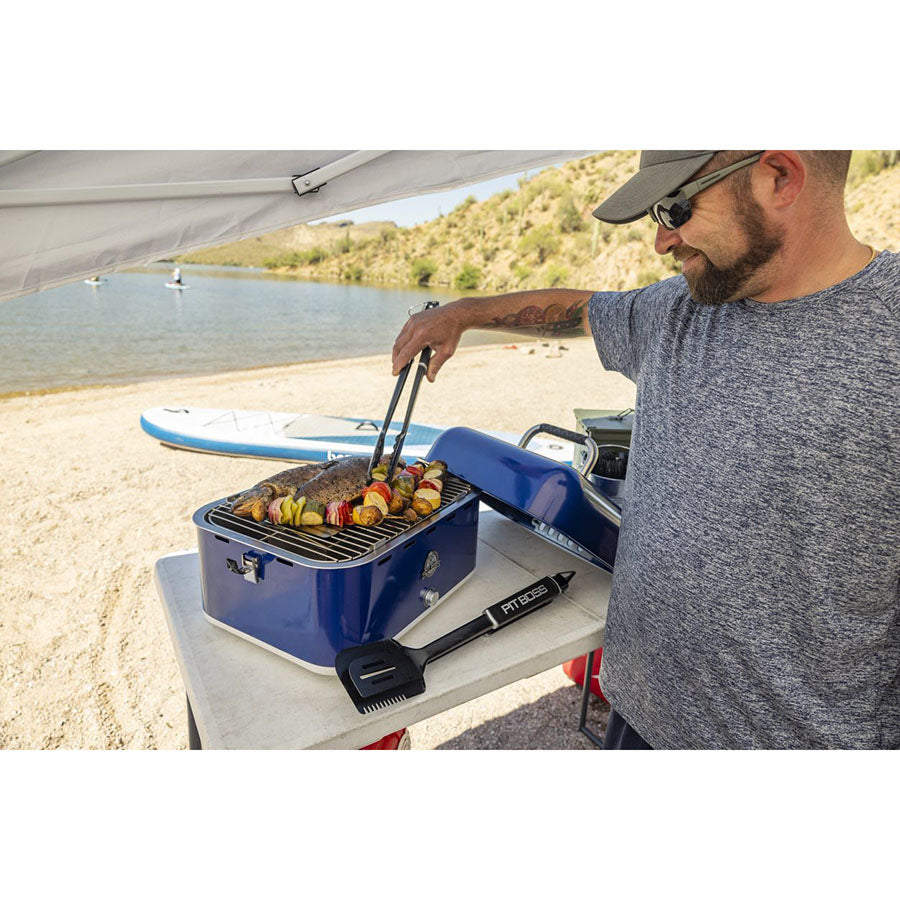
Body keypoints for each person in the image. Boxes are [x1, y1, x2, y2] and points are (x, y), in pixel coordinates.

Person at [391, 150, 899, 750]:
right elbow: (579, 310)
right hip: (636, 714)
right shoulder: (676, 312)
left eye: (675, 207)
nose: (660, 241)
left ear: (779, 177)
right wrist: (463, 313)